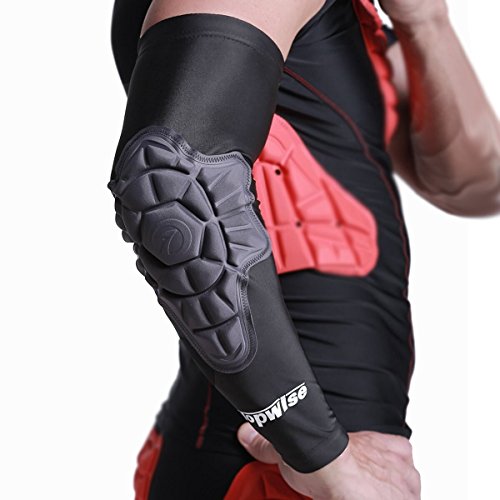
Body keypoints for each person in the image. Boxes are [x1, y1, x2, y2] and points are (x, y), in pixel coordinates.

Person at [108, 0, 500, 498]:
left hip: (305, 458)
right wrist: (319, 452)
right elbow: (171, 183)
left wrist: (424, 20)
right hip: (275, 462)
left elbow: (475, 183)